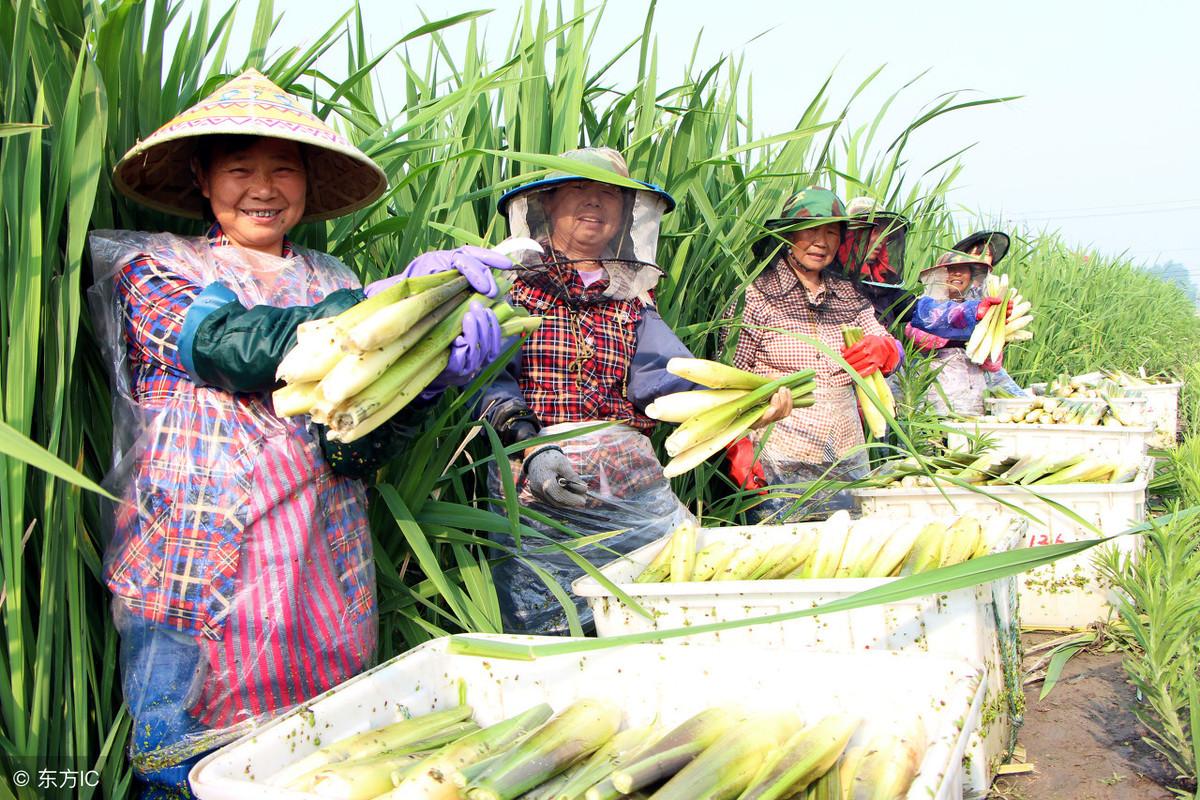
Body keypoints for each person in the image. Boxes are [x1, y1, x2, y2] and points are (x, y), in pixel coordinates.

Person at [89, 70, 510, 798]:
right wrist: (389, 308)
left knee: (321, 774)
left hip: (321, 583)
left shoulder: (330, 277)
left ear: (309, 181)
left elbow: (355, 443)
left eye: (284, 167)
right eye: (239, 167)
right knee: (184, 778)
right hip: (191, 579)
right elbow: (229, 345)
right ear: (202, 176)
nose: (263, 187)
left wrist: (426, 367)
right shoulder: (153, 267)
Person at [478, 147, 789, 634]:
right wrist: (529, 444)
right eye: (580, 189)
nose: (594, 203)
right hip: (538, 484)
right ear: (547, 203)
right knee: (554, 626)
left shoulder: (630, 299)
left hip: (628, 485)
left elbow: (671, 377)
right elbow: (488, 381)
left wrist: (745, 406)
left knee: (659, 611)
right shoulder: (511, 288)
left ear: (626, 216)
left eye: (609, 196)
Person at [723, 187, 903, 521]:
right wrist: (738, 448)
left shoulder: (848, 295)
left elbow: (885, 341)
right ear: (788, 233)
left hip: (846, 463)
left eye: (832, 231)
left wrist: (888, 350)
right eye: (811, 229)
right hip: (778, 465)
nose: (821, 241)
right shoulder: (754, 295)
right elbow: (727, 383)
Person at [904, 232, 1024, 416]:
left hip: (972, 392)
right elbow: (920, 335)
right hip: (934, 391)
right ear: (939, 275)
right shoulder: (925, 307)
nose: (957, 274)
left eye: (964, 269)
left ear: (972, 277)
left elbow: (991, 363)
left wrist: (990, 341)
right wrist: (963, 329)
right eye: (951, 270)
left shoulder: (981, 310)